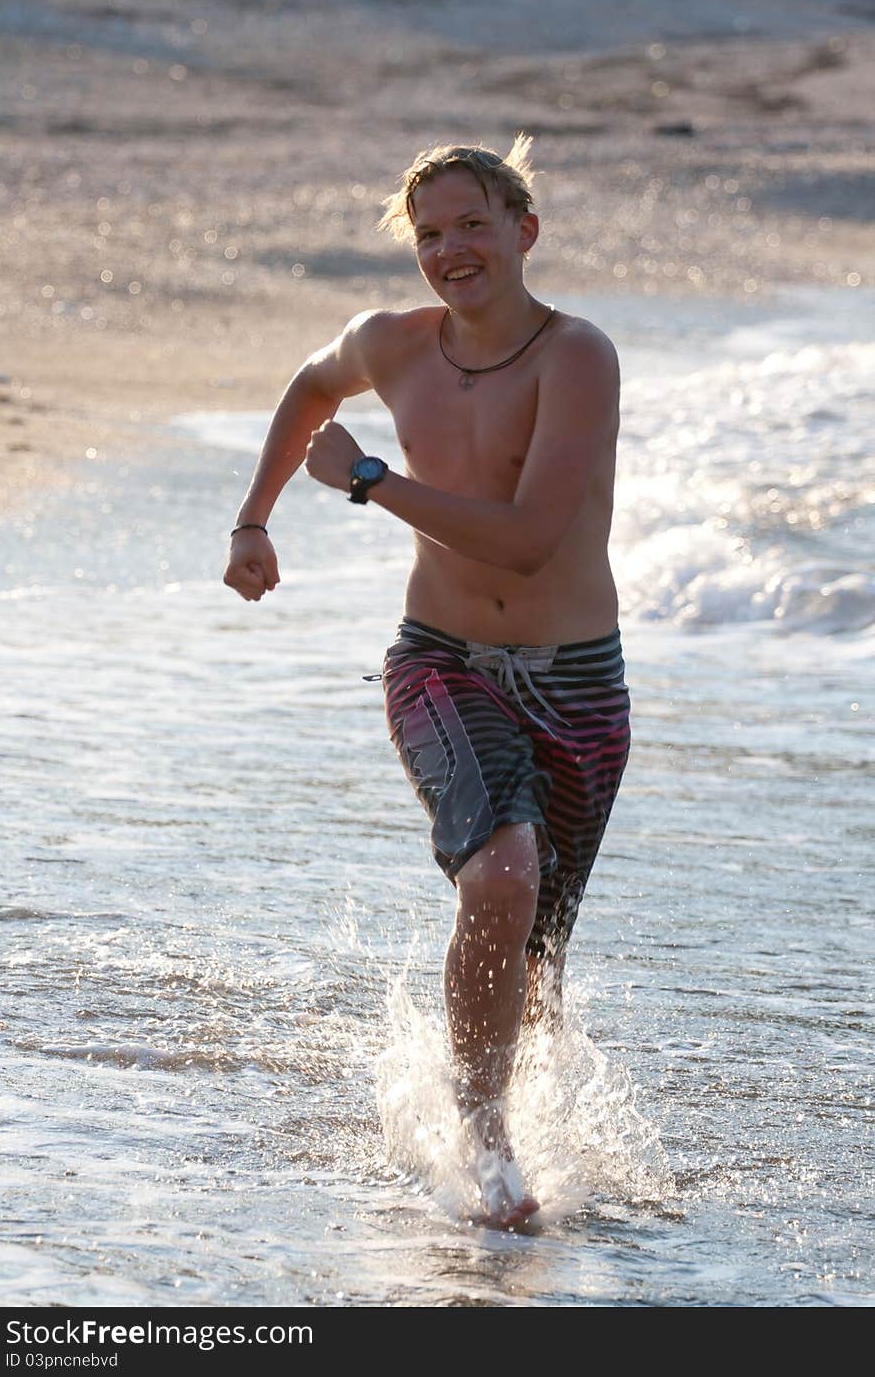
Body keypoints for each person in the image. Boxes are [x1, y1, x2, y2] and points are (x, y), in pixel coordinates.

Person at [222, 134, 631, 1229]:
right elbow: (311, 387)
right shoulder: (388, 345)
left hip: (579, 682)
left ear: (522, 231)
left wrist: (366, 478)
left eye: (472, 225)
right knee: (498, 876)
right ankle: (485, 1143)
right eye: (429, 232)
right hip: (440, 663)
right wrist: (253, 520)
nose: (449, 249)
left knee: (536, 957)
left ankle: (516, 1119)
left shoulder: (575, 356)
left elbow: (531, 541)